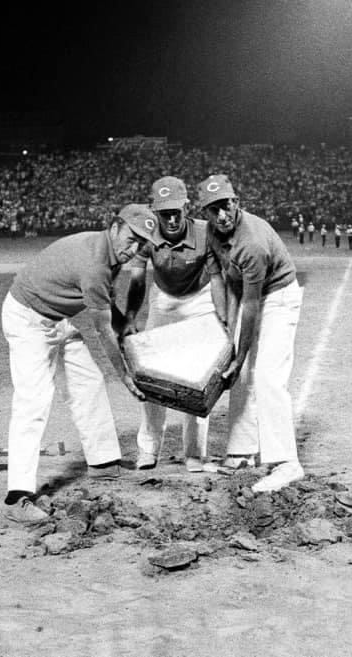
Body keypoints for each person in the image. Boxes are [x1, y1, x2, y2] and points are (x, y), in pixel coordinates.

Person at [0, 204, 154, 524]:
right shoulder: (96, 263)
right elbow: (102, 329)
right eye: (131, 238)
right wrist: (125, 376)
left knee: (89, 380)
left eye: (142, 243)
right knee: (34, 402)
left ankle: (103, 463)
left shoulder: (107, 251)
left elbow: (106, 307)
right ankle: (17, 497)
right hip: (27, 319)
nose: (134, 248)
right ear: (115, 227)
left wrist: (123, 324)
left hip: (57, 318)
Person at [197, 174, 304, 493]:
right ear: (205, 213)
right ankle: (241, 453)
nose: (221, 216)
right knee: (241, 375)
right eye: (213, 210)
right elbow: (229, 284)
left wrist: (239, 353)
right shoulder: (213, 234)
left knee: (268, 376)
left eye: (225, 206)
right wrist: (230, 336)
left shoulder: (252, 241)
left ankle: (287, 463)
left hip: (278, 298)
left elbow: (253, 306)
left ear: (236, 203)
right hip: (250, 296)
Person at [124, 177, 223, 473]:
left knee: (198, 377)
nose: (170, 218)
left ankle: (194, 453)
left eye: (175, 211)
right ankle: (148, 450)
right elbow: (138, 280)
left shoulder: (206, 233)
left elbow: (218, 279)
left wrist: (225, 318)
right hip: (164, 300)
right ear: (154, 212)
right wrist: (130, 318)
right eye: (163, 212)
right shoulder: (147, 235)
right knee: (152, 376)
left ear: (186, 207)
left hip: (200, 299)